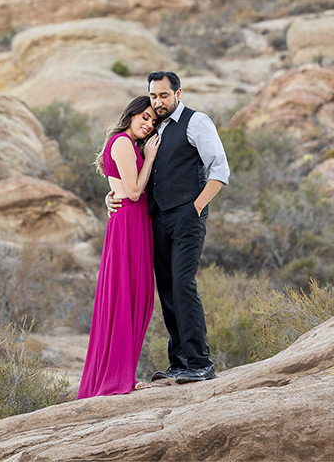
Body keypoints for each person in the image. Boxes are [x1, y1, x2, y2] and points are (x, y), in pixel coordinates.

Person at [108, 71, 230, 384]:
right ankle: (178, 362)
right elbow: (130, 173)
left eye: (164, 95)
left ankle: (200, 362)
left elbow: (220, 170)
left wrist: (196, 207)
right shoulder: (151, 127)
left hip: (187, 216)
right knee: (167, 289)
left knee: (183, 284)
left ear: (177, 92)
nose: (158, 101)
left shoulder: (196, 121)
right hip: (155, 219)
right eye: (153, 96)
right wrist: (110, 196)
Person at [77, 96, 161, 399]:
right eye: (145, 117)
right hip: (129, 222)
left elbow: (120, 186)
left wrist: (109, 196)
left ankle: (121, 374)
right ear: (132, 114)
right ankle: (118, 379)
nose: (148, 124)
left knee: (135, 298)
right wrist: (150, 158)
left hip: (132, 222)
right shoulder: (124, 143)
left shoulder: (126, 144)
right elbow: (135, 192)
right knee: (126, 299)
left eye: (152, 121)